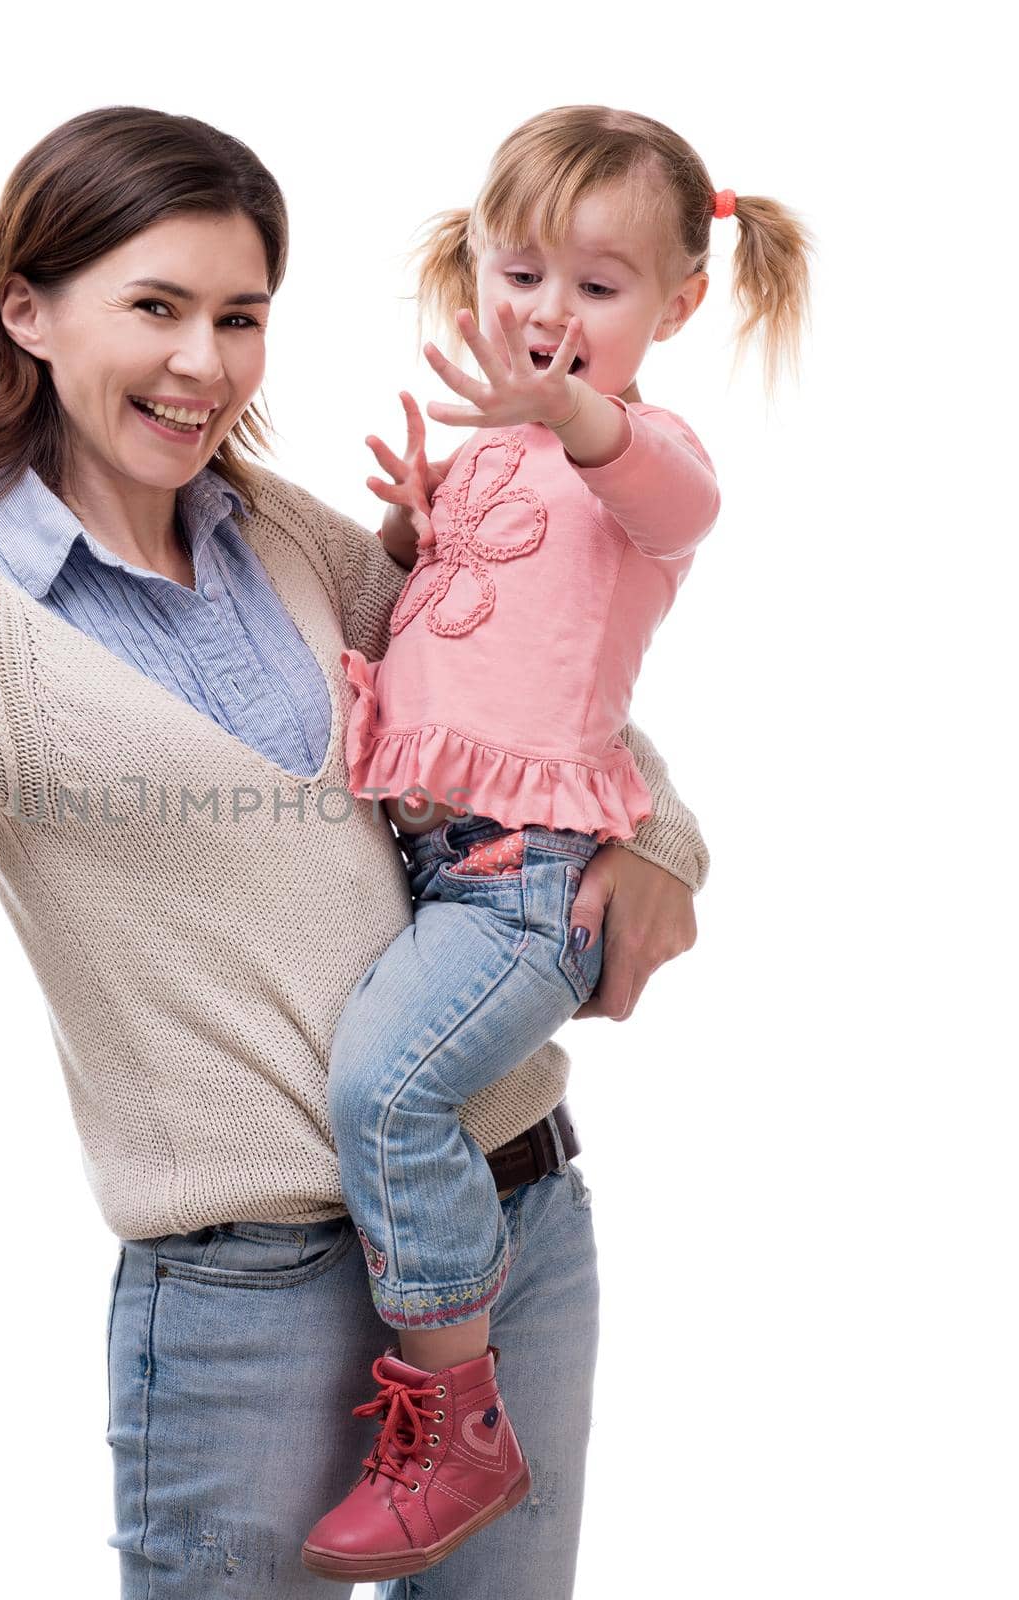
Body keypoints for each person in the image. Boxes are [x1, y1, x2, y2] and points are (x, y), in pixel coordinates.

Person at [0, 105, 712, 1599]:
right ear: (27, 310)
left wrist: (666, 844)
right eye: (157, 308)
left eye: (239, 317)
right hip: (255, 1303)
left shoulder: (292, 538)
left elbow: (522, 707)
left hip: (515, 1220)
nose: (204, 363)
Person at [298, 106, 814, 1582]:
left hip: (524, 884)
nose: (545, 316)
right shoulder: (480, 466)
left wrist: (568, 418)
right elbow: (448, 639)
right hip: (430, 866)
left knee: (385, 1093)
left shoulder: (643, 465)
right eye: (519, 274)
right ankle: (445, 1392)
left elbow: (656, 485)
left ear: (675, 306)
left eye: (597, 289)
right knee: (388, 1091)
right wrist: (408, 532)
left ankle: (455, 1419)